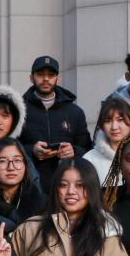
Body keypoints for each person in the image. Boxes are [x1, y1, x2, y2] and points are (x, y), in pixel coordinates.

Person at [19, 55, 92, 189]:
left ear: (58, 79)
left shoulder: (75, 112)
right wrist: (32, 150)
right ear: (31, 78)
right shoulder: (19, 110)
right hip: (30, 186)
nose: (46, 79)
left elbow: (88, 149)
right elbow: (10, 146)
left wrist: (73, 151)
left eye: (51, 75)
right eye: (40, 74)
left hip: (67, 186)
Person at [0, 137, 46, 226]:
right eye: (2, 161)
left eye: (17, 160)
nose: (11, 167)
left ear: (25, 164)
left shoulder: (39, 201)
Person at [83, 96, 130, 186]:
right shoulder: (90, 159)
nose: (114, 127)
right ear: (102, 126)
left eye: (120, 120)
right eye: (108, 121)